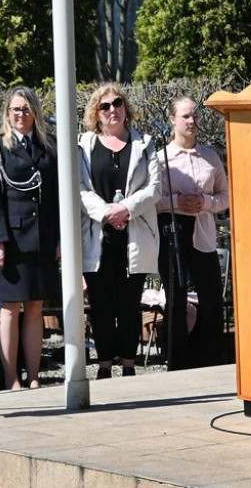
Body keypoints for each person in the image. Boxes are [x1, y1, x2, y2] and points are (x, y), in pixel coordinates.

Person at [0, 87, 60, 390]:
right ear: (7, 113)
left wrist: (59, 238)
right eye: (15, 109)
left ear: (35, 112)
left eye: (26, 109)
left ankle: (35, 376)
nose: (20, 114)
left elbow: (55, 196)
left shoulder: (48, 145)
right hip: (10, 241)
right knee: (10, 309)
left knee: (36, 308)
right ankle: (12, 378)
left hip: (41, 239)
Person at [78, 83, 160, 379]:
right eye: (105, 106)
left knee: (129, 302)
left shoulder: (145, 143)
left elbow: (154, 188)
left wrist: (125, 209)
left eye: (117, 103)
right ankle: (103, 365)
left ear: (125, 108)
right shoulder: (84, 144)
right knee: (100, 304)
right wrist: (107, 214)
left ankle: (127, 363)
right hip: (98, 236)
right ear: (96, 114)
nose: (112, 110)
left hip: (133, 234)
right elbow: (81, 188)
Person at [156, 96, 229, 369]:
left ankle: (210, 357)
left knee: (210, 297)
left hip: (203, 231)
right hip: (173, 231)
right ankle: (177, 360)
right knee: (175, 297)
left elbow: (226, 195)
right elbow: (152, 199)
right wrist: (177, 202)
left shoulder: (210, 157)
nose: (192, 121)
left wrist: (206, 203)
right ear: (173, 120)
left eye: (195, 116)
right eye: (186, 116)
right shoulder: (161, 159)